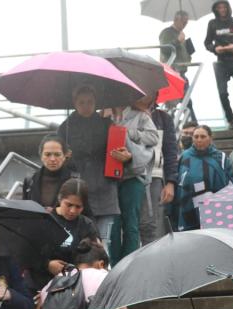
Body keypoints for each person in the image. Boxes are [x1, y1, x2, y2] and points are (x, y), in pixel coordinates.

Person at [57, 85, 122, 254]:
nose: (86, 106)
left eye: (90, 102)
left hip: (105, 188)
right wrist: (66, 159)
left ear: (95, 102)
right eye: (82, 102)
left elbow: (120, 154)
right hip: (79, 191)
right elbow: (58, 159)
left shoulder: (108, 124)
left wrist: (125, 158)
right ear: (74, 103)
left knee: (104, 241)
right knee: (80, 240)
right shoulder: (65, 128)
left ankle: (103, 277)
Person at [110, 96, 159, 264]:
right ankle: (115, 266)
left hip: (133, 175)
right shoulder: (104, 118)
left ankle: (129, 264)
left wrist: (130, 133)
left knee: (131, 223)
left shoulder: (141, 116)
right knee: (113, 225)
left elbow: (153, 138)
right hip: (110, 177)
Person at [28, 178, 100, 287]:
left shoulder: (87, 225)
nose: (72, 211)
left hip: (73, 285)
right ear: (60, 199)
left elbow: (96, 257)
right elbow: (26, 253)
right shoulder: (43, 220)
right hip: (41, 282)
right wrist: (47, 265)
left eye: (78, 207)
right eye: (69, 205)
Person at [175, 125, 233, 231]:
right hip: (188, 208)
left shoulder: (221, 158)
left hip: (216, 208)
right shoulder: (185, 157)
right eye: (196, 136)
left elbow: (231, 182)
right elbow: (179, 183)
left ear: (210, 138)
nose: (199, 140)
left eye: (203, 137)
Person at [204, 1, 233, 132]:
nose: (222, 9)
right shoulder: (212, 24)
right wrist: (215, 48)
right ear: (215, 9)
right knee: (222, 93)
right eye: (219, 7)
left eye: (224, 7)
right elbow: (207, 42)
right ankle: (231, 120)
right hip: (221, 62)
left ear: (228, 8)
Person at [139, 100, 179, 244]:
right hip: (128, 174)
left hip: (154, 175)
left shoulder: (162, 117)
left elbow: (170, 151)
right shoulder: (124, 113)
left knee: (150, 224)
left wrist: (170, 182)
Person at [22, 134, 78, 213]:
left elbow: (85, 216)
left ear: (65, 156)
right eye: (47, 154)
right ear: (41, 156)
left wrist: (57, 212)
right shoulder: (30, 180)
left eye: (57, 154)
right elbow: (24, 211)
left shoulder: (75, 181)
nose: (52, 159)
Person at [159, 10, 197, 123]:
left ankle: (192, 123)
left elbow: (189, 52)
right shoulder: (167, 32)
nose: (185, 24)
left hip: (181, 72)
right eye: (183, 22)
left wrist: (188, 54)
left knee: (186, 100)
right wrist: (177, 40)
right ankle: (187, 123)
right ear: (176, 20)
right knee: (173, 102)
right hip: (173, 71)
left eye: (186, 22)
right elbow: (165, 49)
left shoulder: (182, 35)